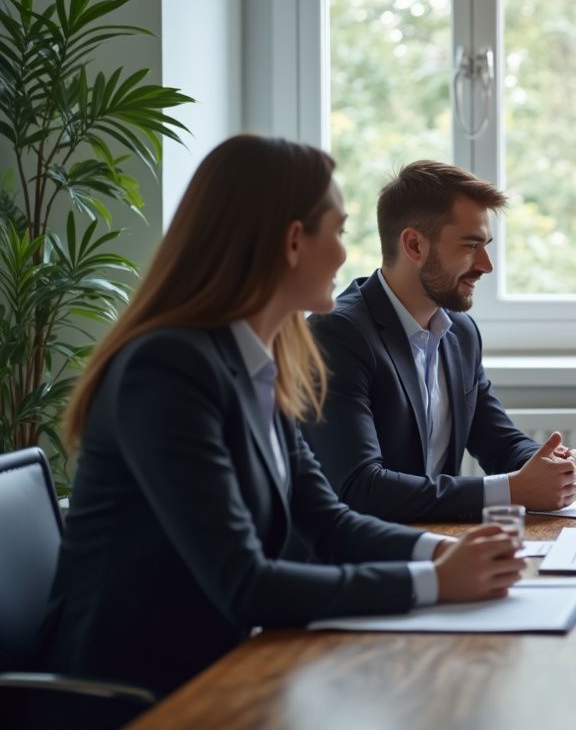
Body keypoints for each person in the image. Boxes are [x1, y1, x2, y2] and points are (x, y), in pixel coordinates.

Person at [33, 136, 524, 728]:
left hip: (233, 661)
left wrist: (445, 551)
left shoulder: (265, 357)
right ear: (294, 241)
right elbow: (244, 583)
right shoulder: (166, 368)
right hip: (141, 693)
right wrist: (433, 580)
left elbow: (325, 519)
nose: (346, 255)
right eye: (337, 232)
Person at [302, 161, 576, 523]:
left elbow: (498, 441)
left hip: (440, 539)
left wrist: (552, 466)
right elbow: (359, 488)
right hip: (361, 560)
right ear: (414, 244)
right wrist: (511, 490)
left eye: (486, 246)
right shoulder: (336, 335)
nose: (486, 265)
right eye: (470, 246)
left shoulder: (460, 333)